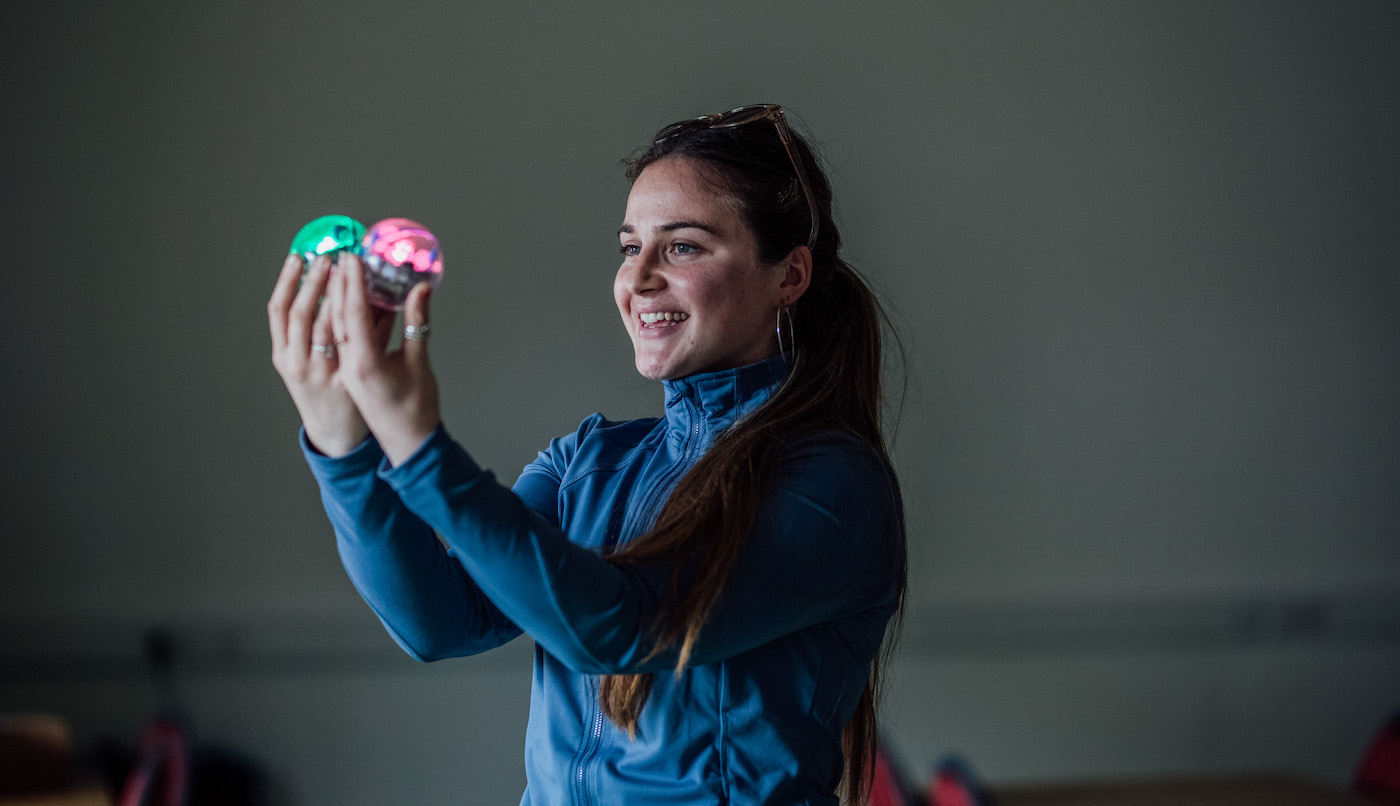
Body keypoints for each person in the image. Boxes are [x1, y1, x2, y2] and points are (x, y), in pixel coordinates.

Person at [268, 104, 907, 805]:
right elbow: (440, 622)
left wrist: (420, 450)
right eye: (631, 247)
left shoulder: (834, 483)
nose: (637, 280)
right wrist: (344, 444)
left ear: (790, 276)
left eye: (684, 246)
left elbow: (624, 627)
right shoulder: (588, 461)